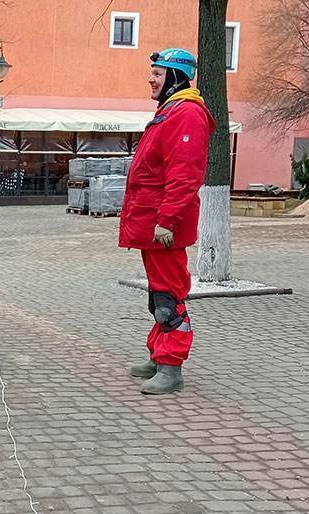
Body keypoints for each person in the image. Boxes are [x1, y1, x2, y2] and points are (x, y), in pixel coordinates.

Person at [119, 48, 212, 395]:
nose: (151, 79)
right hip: (154, 221)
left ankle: (172, 367)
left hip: (164, 224)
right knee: (159, 293)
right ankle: (160, 356)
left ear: (175, 76)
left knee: (169, 296)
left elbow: (184, 174)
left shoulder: (186, 113)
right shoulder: (170, 111)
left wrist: (168, 221)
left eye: (158, 73)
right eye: (153, 72)